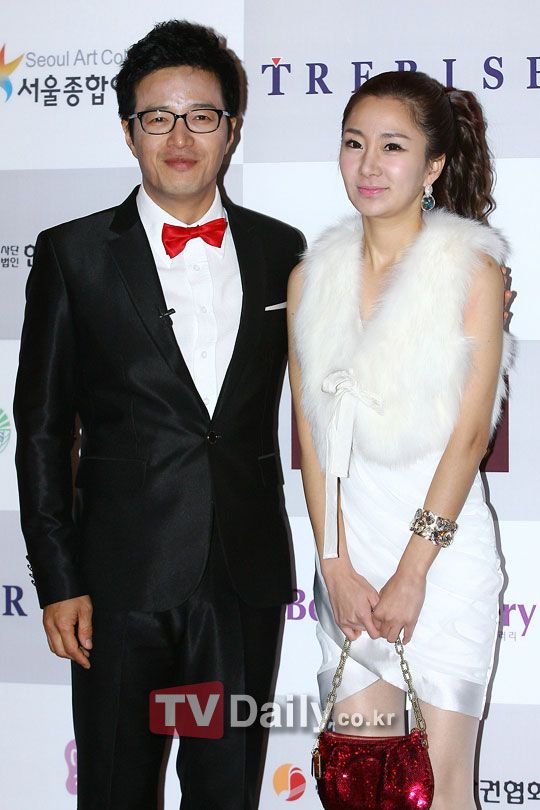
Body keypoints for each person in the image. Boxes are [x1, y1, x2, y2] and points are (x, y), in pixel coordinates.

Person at [14, 19, 304, 810]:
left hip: (238, 583)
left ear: (231, 129)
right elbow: (41, 429)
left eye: (201, 116)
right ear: (128, 131)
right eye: (158, 117)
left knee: (224, 793)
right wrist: (58, 580)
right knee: (115, 791)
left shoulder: (282, 251)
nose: (180, 137)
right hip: (116, 588)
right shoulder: (73, 254)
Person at [287, 70, 513, 809]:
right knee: (358, 790)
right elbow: (311, 433)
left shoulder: (471, 270)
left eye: (393, 146)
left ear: (434, 164)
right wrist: (334, 564)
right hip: (350, 559)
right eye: (354, 143)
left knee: (443, 793)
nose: (369, 164)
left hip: (440, 562)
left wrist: (413, 572)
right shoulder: (310, 277)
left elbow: (470, 436)